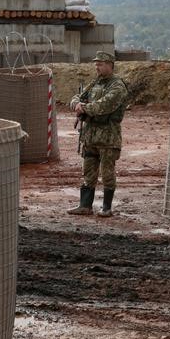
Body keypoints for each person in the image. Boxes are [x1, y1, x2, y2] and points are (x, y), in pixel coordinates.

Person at [67, 51, 129, 217]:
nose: (97, 67)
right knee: (88, 171)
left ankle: (107, 208)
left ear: (110, 65)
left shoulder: (117, 86)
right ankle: (85, 205)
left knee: (107, 173)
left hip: (108, 136)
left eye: (100, 64)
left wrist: (84, 108)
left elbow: (105, 105)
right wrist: (76, 104)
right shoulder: (95, 83)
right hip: (90, 135)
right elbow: (76, 97)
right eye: (96, 64)